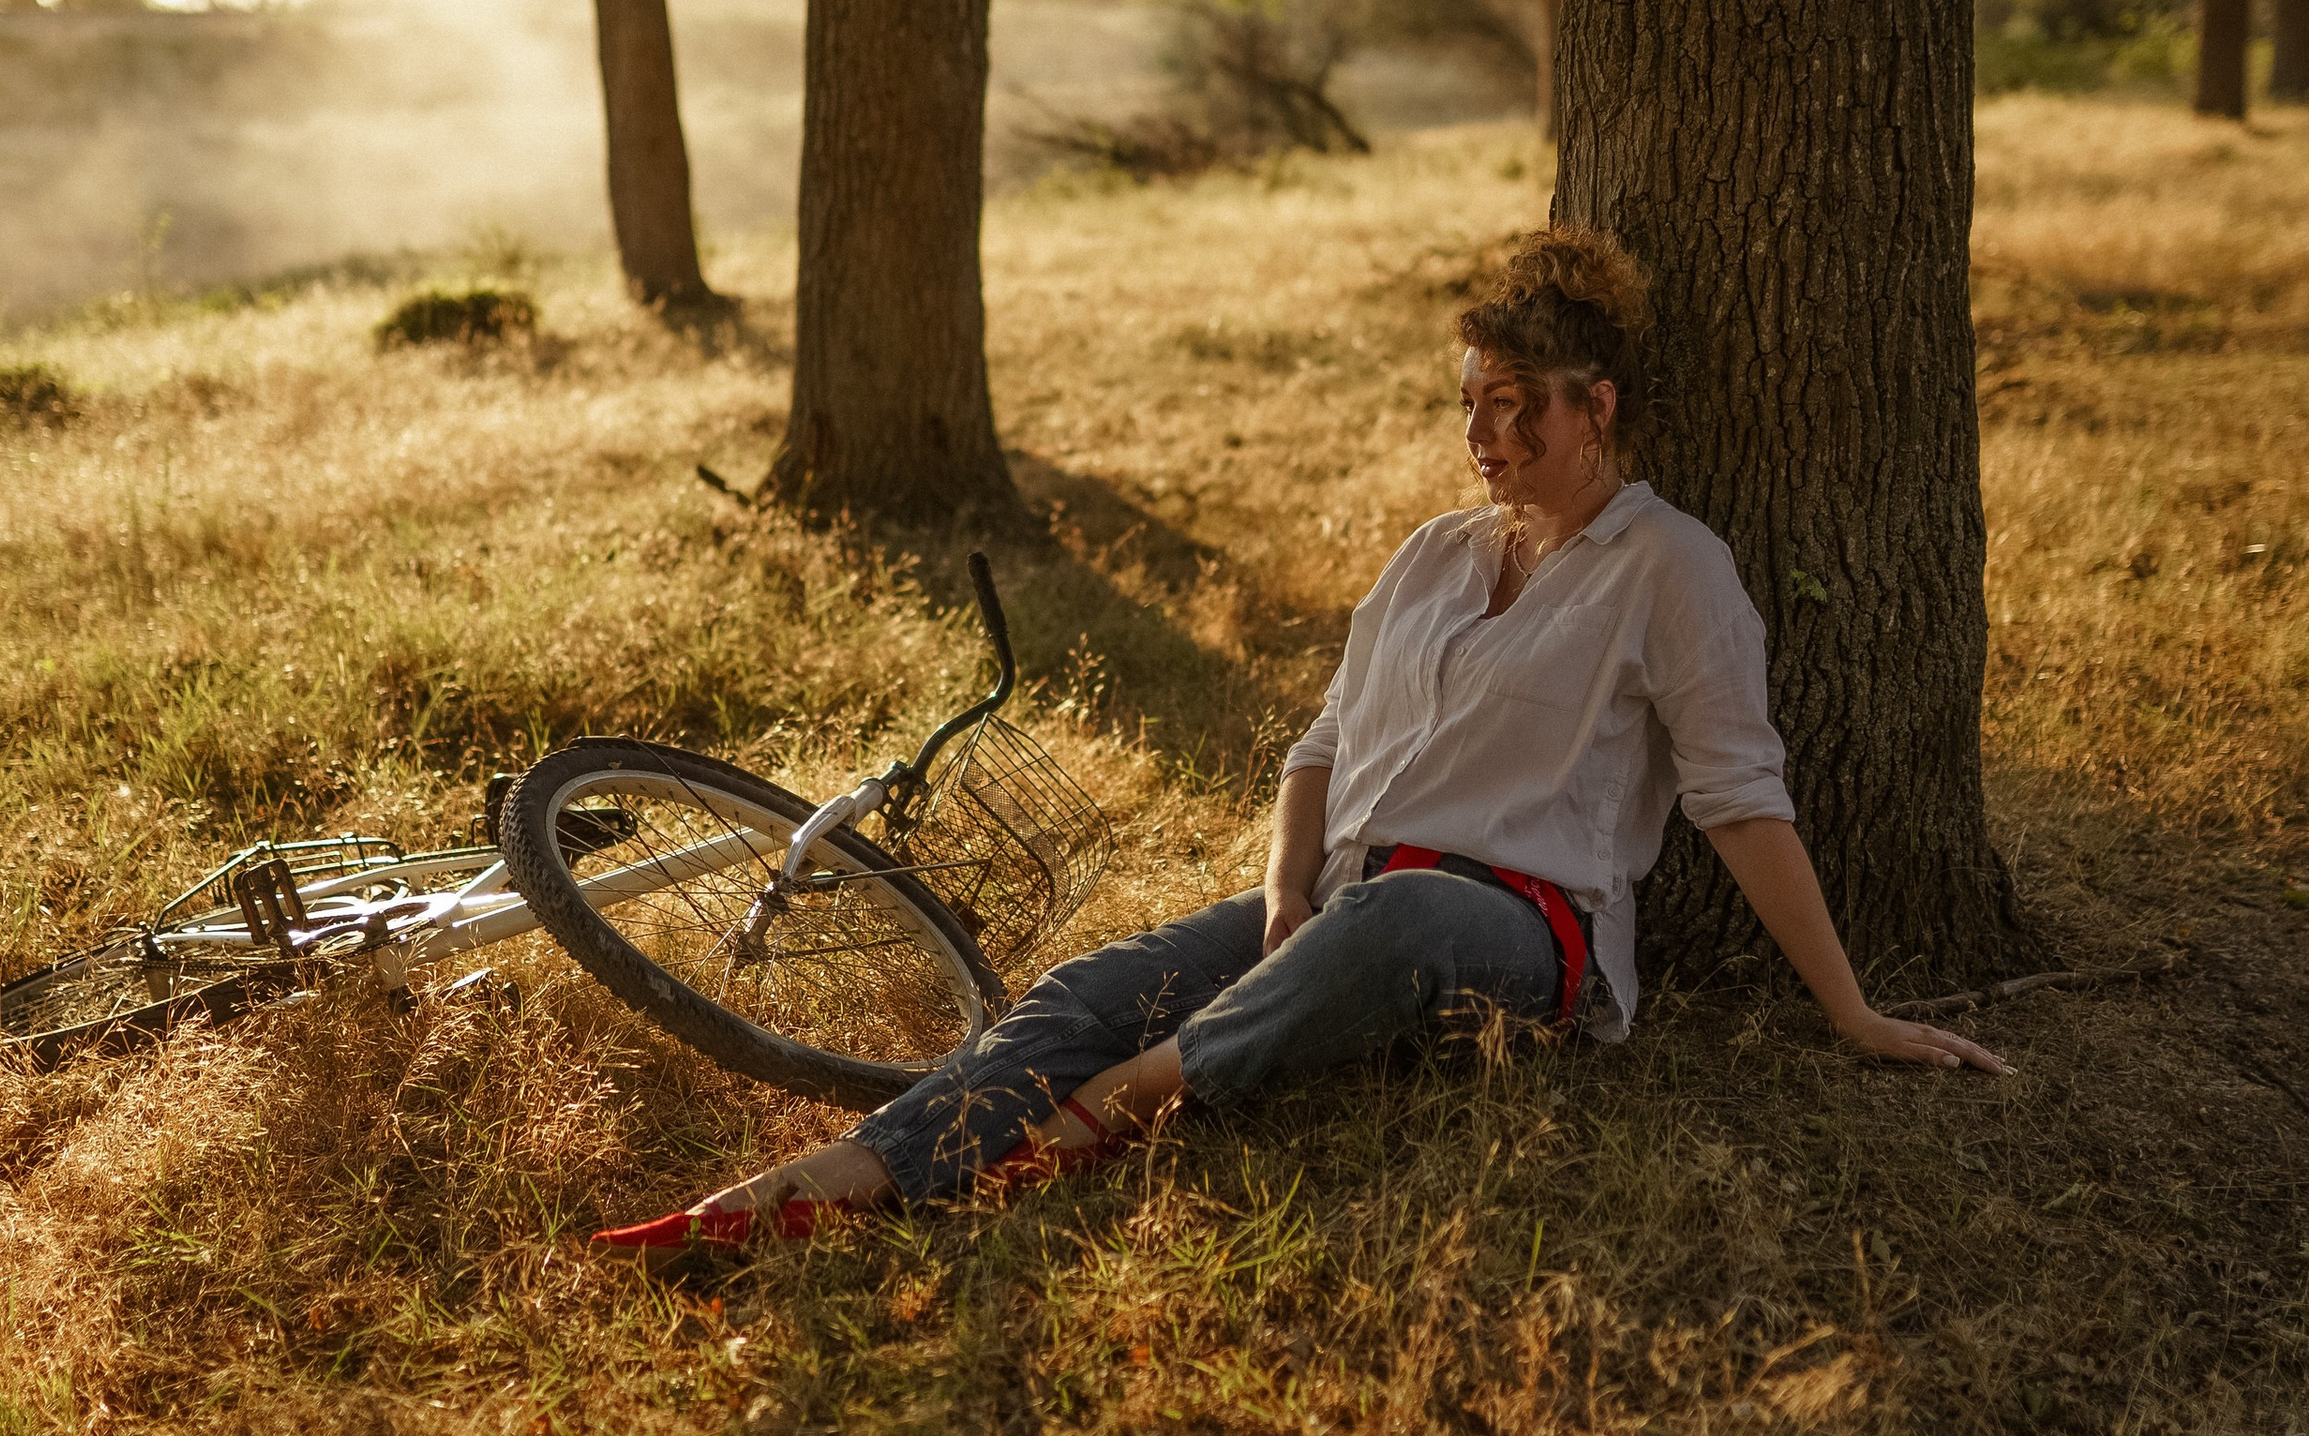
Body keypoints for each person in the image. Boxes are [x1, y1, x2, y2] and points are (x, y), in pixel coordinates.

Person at [601, 225, 2006, 1253]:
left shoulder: (1669, 568)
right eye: (1470, 404)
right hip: (1338, 894)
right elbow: (1320, 747)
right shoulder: (1436, 556)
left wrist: (1852, 1010)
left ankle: (1121, 1111)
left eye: (1519, 406)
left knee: (1388, 922)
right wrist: (1281, 890)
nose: (1488, 435)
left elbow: (1740, 797)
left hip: (1518, 935)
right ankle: (818, 1191)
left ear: (1599, 407)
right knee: (1097, 982)